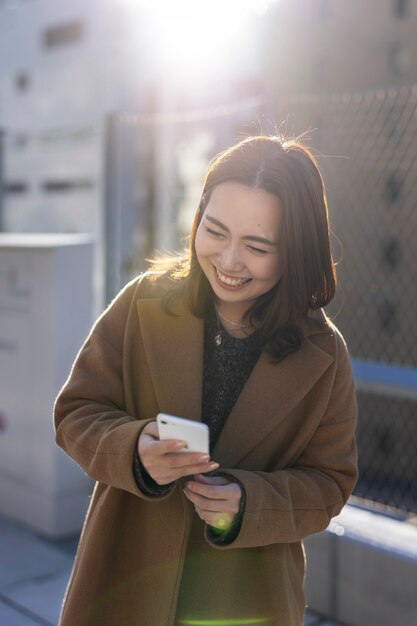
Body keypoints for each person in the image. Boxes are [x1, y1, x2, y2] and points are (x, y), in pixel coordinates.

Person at [54, 134, 358, 626]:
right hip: (123, 580)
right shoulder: (143, 302)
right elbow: (75, 413)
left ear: (295, 252)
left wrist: (248, 503)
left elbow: (330, 484)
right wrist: (134, 450)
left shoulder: (324, 356)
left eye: (257, 246)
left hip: (246, 598)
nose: (228, 261)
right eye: (214, 231)